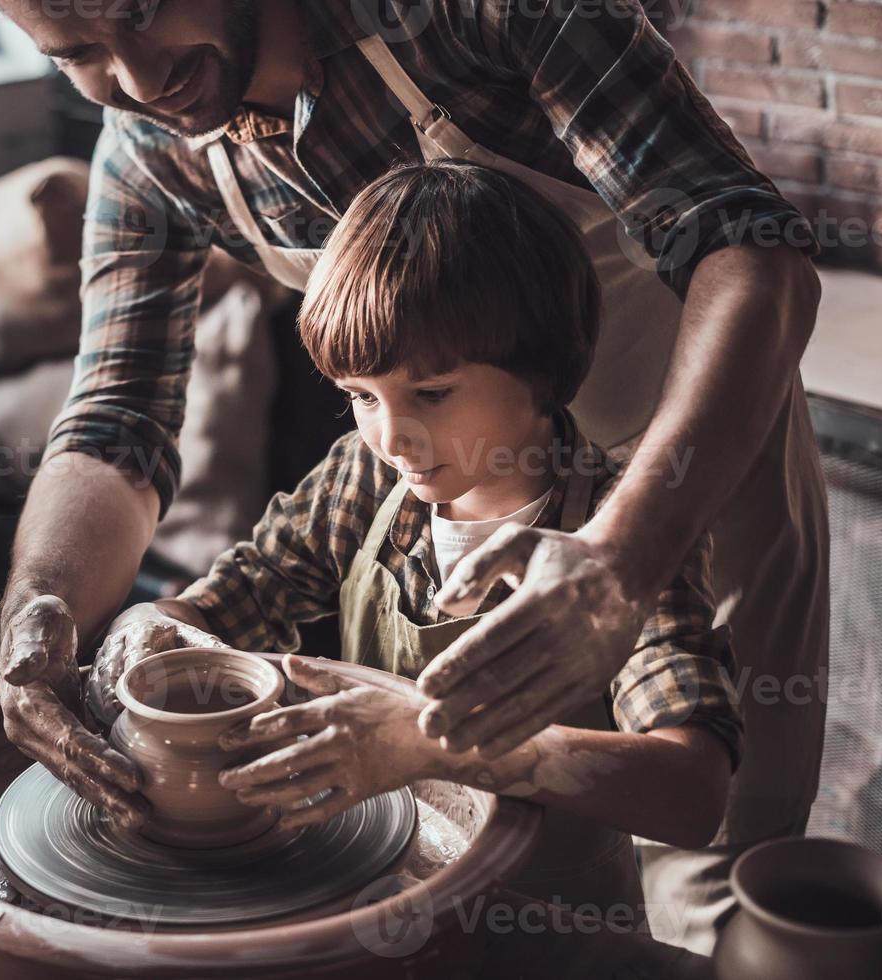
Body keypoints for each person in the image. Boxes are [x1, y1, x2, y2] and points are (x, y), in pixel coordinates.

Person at [0, 0, 826, 950]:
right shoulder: (364, 476)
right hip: (455, 901)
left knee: (710, 903)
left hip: (690, 471)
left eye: (138, 13)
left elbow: (752, 251)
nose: (137, 81)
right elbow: (116, 420)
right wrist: (49, 620)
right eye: (78, 56)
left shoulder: (470, 15)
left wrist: (620, 559)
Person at [96, 160, 742, 919]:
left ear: (547, 365)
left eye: (431, 394)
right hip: (381, 911)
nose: (391, 436)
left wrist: (434, 745)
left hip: (552, 929)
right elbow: (222, 606)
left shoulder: (617, 537)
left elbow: (691, 793)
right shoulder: (362, 482)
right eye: (360, 397)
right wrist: (148, 627)